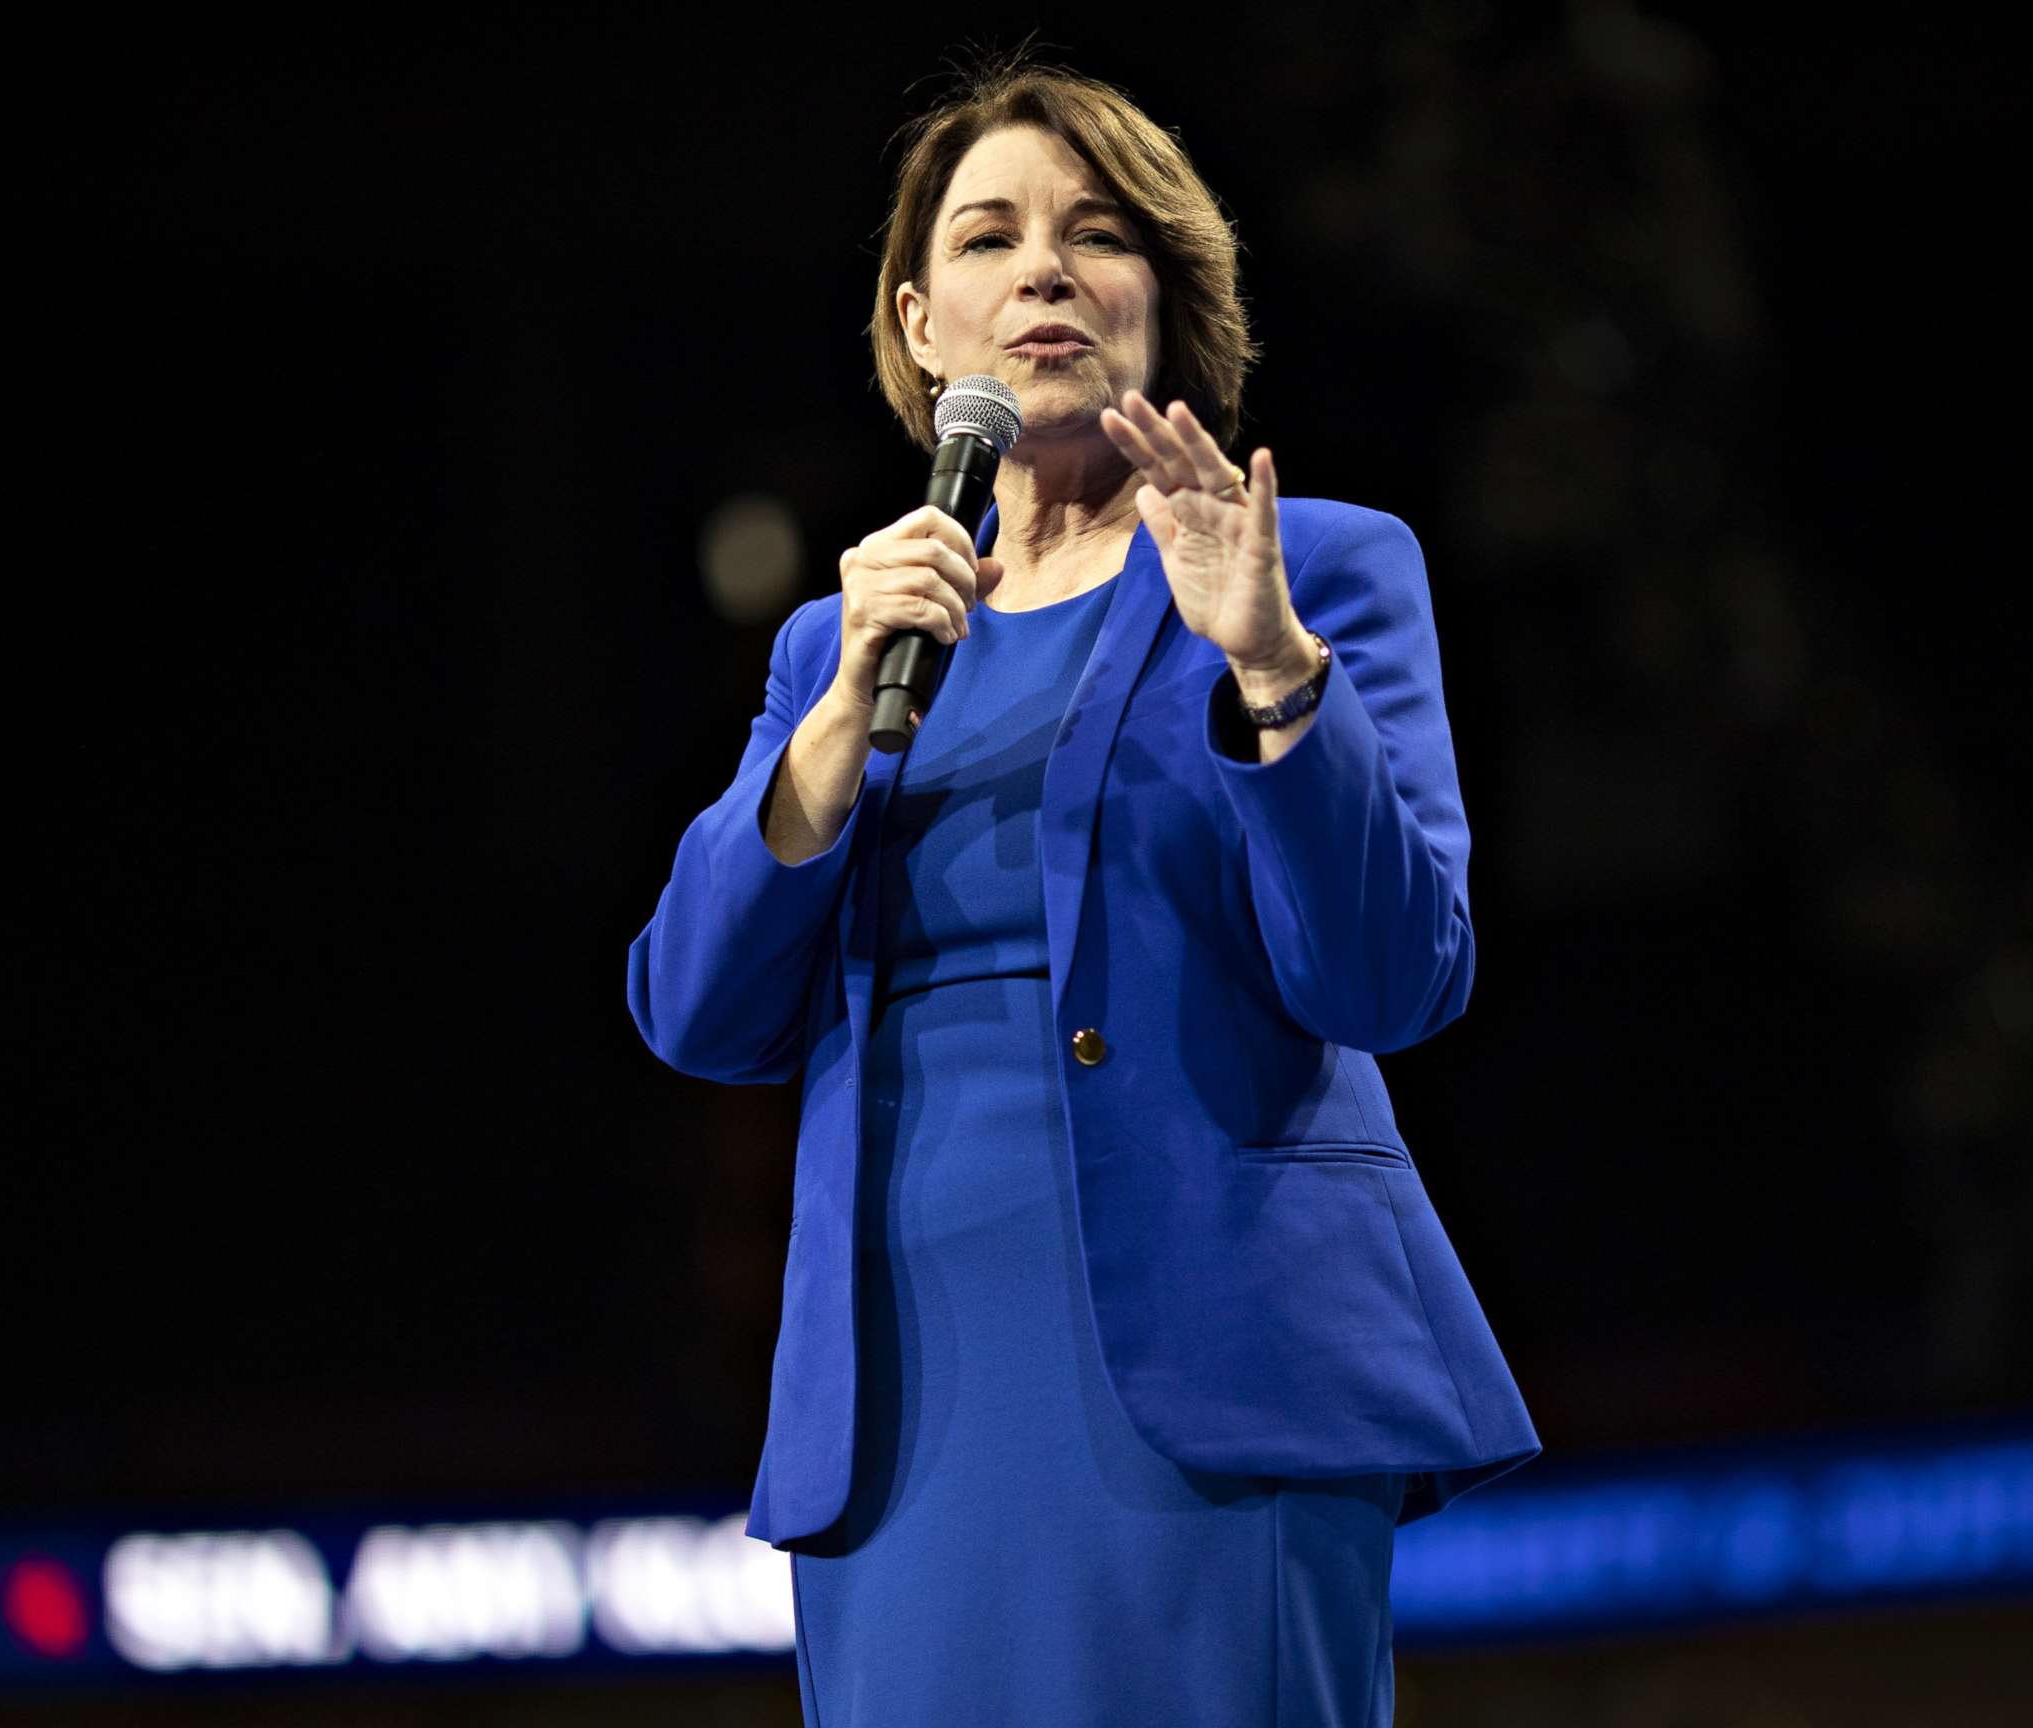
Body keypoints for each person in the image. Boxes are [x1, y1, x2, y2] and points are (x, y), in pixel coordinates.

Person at [626, 56, 1537, 1727]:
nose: (1041, 268)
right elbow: (693, 1011)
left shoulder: (1316, 565)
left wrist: (1272, 672)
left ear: (1162, 300)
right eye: (989, 238)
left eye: (1094, 231)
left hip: (1221, 1378)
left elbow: (1397, 976)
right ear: (920, 327)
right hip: (907, 1412)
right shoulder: (840, 644)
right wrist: (825, 742)